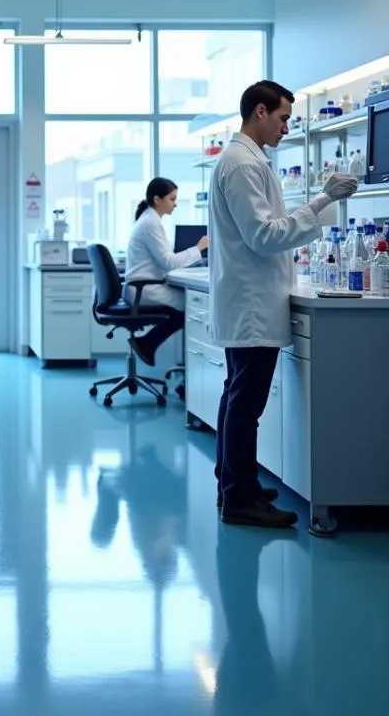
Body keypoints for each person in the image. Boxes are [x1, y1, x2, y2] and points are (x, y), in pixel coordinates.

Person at [209, 80, 356, 529]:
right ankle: (239, 498)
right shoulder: (241, 165)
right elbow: (264, 235)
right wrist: (323, 200)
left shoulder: (248, 161)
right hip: (251, 302)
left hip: (249, 297)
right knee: (246, 404)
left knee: (237, 396)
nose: (286, 127)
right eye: (283, 117)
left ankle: (235, 484)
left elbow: (266, 226)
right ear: (259, 111)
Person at [123, 176, 208, 368]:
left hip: (143, 287)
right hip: (144, 290)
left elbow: (164, 260)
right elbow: (169, 262)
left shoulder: (149, 220)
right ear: (157, 199)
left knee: (187, 307)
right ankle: (149, 346)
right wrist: (198, 248)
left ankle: (148, 344)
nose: (175, 204)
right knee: (193, 306)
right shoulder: (150, 223)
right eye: (172, 199)